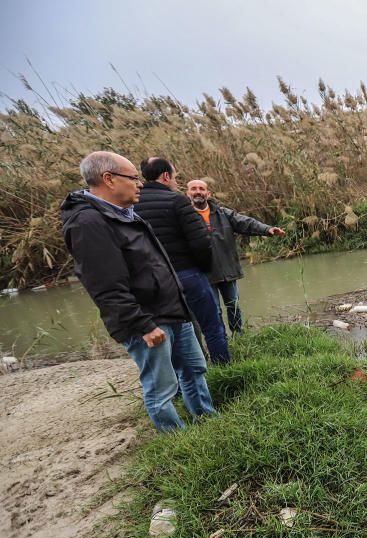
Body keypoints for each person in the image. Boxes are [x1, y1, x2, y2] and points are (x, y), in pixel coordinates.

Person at [61, 151, 215, 432]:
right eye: (133, 178)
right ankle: (176, 444)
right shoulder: (89, 223)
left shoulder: (125, 213)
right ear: (108, 179)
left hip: (173, 310)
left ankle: (207, 423)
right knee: (162, 388)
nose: (140, 183)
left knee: (194, 370)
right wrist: (142, 324)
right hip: (148, 320)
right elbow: (104, 286)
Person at [134, 157, 229, 363]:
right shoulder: (177, 201)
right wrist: (203, 269)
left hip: (154, 280)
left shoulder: (131, 205)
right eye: (176, 176)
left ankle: (188, 373)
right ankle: (223, 368)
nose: (176, 181)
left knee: (175, 329)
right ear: (166, 176)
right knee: (211, 324)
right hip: (187, 273)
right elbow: (201, 241)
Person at [185, 179, 285, 334]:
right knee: (214, 310)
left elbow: (246, 223)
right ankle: (221, 340)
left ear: (208, 193)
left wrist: (267, 229)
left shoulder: (223, 213)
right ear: (187, 193)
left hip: (227, 270)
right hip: (204, 273)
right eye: (193, 189)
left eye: (201, 188)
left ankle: (239, 336)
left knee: (234, 305)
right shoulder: (185, 217)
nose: (198, 191)